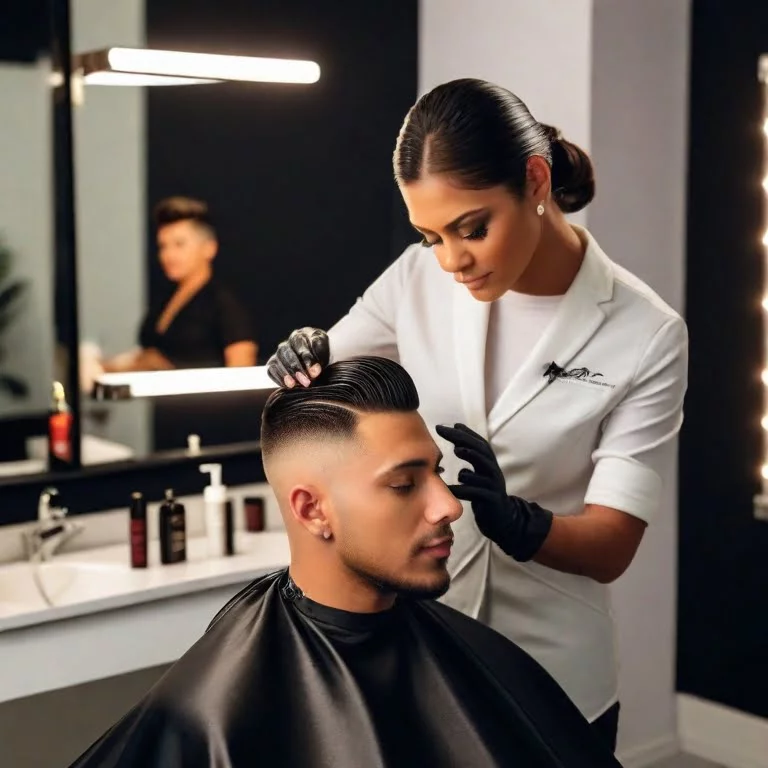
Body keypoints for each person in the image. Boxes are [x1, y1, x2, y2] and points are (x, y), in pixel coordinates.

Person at [267, 78, 690, 751]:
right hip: (422, 646)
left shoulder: (646, 332)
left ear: (534, 180)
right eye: (431, 234)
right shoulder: (415, 279)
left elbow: (613, 544)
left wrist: (519, 524)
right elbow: (318, 393)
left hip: (554, 668)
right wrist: (300, 362)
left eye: (473, 228)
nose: (453, 260)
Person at [69, 356, 622, 768]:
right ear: (311, 511)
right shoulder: (212, 713)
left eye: (437, 471)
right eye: (405, 484)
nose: (449, 505)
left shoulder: (484, 660)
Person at [101, 196, 258, 373]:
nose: (168, 255)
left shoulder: (224, 306)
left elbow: (241, 378)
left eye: (179, 244)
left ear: (209, 248)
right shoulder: (163, 300)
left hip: (205, 401)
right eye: (163, 246)